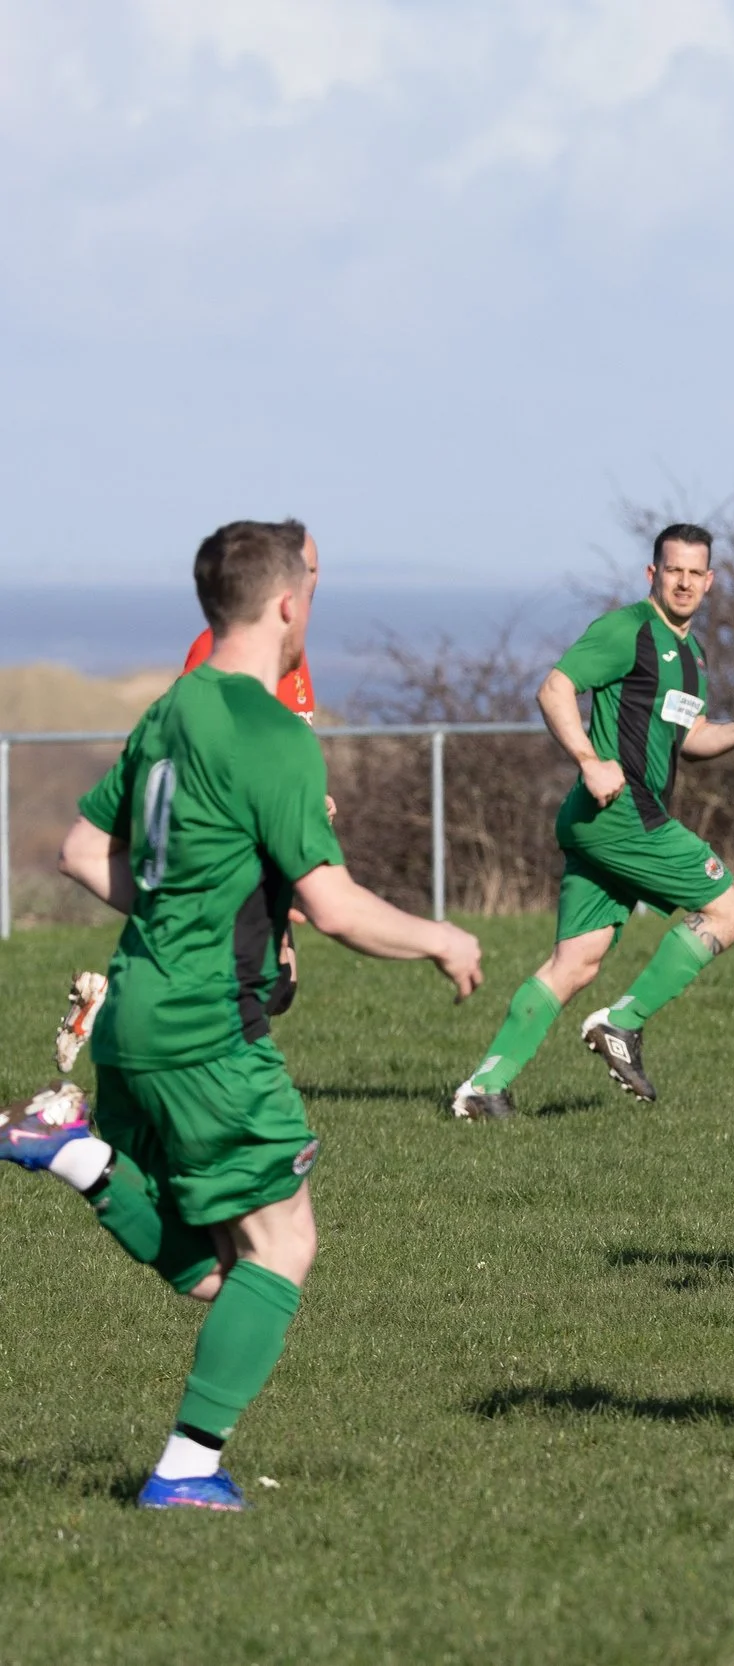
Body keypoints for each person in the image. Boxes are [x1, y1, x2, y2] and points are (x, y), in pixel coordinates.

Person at [0, 518, 482, 1512]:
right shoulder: (274, 733)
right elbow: (337, 907)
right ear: (290, 603)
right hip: (208, 1030)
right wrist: (442, 937)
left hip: (136, 1007)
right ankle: (184, 1468)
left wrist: (179, 907)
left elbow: (83, 853)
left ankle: (77, 1151)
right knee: (281, 1247)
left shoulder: (170, 709)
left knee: (223, 1268)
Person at [449, 524, 734, 1119]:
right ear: (653, 575)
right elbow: (555, 689)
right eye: (671, 570)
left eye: (693, 573)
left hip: (601, 821)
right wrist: (587, 759)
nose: (683, 582)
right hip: (622, 814)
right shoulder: (627, 630)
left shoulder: (693, 657)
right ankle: (621, 1024)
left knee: (576, 962)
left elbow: (693, 738)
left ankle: (482, 1089)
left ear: (709, 582)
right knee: (731, 911)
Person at [52, 536, 328, 1073]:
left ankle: (131, 1021)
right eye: (303, 567)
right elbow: (194, 750)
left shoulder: (293, 656)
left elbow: (282, 748)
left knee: (277, 984)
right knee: (244, 980)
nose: (311, 578)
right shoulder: (221, 652)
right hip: (224, 845)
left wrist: (311, 799)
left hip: (264, 841)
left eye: (316, 568)